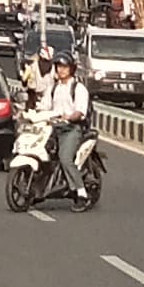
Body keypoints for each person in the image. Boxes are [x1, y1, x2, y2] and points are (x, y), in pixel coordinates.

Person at [39, 47, 90, 193]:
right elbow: (45, 107)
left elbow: (80, 112)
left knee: (65, 158)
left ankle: (81, 192)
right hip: (53, 128)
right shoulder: (53, 88)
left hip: (71, 129)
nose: (61, 70)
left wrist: (69, 116)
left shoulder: (78, 88)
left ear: (71, 69)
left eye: (65, 67)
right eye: (59, 67)